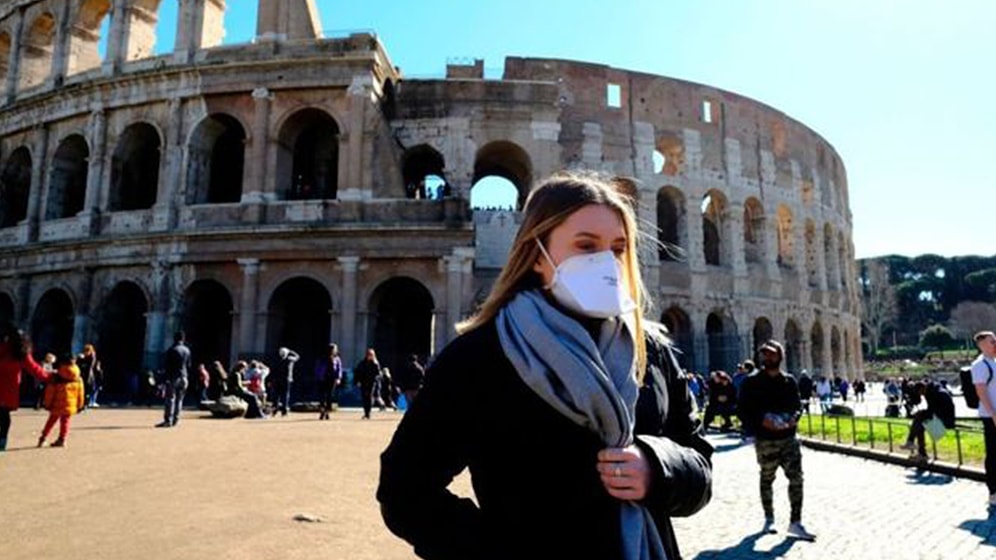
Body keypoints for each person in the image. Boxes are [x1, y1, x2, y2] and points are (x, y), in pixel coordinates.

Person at [377, 172, 713, 559]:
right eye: (586, 246)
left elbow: (699, 464)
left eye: (618, 249)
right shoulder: (479, 358)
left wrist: (658, 466)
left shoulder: (650, 350)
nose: (606, 262)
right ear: (537, 255)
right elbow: (405, 489)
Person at [738, 340, 815, 540]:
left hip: (789, 438)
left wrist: (792, 419)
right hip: (766, 440)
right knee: (766, 478)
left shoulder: (789, 381)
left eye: (772, 354)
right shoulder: (751, 382)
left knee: (797, 479)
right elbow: (743, 409)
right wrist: (762, 420)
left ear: (780, 356)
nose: (767, 357)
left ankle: (796, 522)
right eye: (765, 354)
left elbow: (797, 406)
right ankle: (769, 518)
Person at [0, 324, 48, 451]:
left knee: (3, 415)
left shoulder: (17, 352)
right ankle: (2, 440)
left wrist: (50, 377)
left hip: (7, 389)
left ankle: (2, 440)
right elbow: (35, 369)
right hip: (9, 389)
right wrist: (50, 377)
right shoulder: (19, 351)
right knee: (4, 415)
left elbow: (35, 369)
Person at [899, 380, 955, 463]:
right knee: (919, 424)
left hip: (946, 419)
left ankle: (912, 443)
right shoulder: (931, 391)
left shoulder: (938, 393)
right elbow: (932, 409)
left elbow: (938, 410)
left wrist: (924, 413)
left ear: (923, 388)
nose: (922, 395)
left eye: (922, 393)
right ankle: (921, 453)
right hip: (939, 416)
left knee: (919, 417)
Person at [970, 331, 996, 506]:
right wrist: (993, 414)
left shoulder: (993, 362)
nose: (995, 343)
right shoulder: (979, 365)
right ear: (982, 345)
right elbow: (981, 391)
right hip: (990, 416)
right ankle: (993, 492)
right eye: (992, 341)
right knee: (994, 454)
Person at [38, 353, 85, 448]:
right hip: (70, 404)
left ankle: (43, 438)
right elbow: (81, 393)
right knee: (65, 422)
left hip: (56, 404)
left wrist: (47, 404)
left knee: (51, 421)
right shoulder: (78, 377)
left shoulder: (57, 376)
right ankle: (62, 439)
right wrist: (80, 405)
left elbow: (50, 392)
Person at [157, 331, 191, 428]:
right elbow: (189, 365)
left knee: (170, 399)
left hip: (173, 377)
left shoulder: (172, 350)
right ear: (183, 339)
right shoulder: (187, 350)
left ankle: (168, 420)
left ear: (174, 339)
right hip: (184, 377)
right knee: (179, 400)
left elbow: (167, 366)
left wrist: (165, 379)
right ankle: (176, 419)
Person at [316, 344, 343, 420]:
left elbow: (339, 369)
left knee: (329, 396)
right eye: (334, 349)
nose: (335, 350)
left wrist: (338, 378)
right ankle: (322, 411)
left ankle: (326, 411)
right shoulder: (322, 358)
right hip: (322, 378)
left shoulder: (337, 358)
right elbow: (317, 368)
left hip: (332, 379)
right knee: (322, 396)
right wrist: (318, 376)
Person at [354, 348, 381, 419]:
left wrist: (376, 379)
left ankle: (368, 413)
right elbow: (358, 372)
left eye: (371, 355)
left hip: (372, 383)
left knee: (369, 397)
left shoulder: (375, 364)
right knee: (364, 397)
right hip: (363, 382)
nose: (370, 356)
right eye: (369, 355)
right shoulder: (362, 363)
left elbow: (378, 374)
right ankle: (366, 412)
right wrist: (357, 381)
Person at [273, 347, 299, 416]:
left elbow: (274, 370)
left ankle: (275, 409)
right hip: (287, 379)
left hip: (277, 379)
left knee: (277, 395)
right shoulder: (289, 359)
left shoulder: (276, 360)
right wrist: (291, 351)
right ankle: (284, 410)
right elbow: (297, 357)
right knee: (285, 395)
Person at [78, 343, 103, 409]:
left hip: (91, 376)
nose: (86, 353)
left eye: (88, 351)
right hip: (85, 375)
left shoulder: (92, 357)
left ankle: (90, 402)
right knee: (86, 390)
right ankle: (86, 403)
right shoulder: (82, 357)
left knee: (92, 389)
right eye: (85, 351)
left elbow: (90, 367)